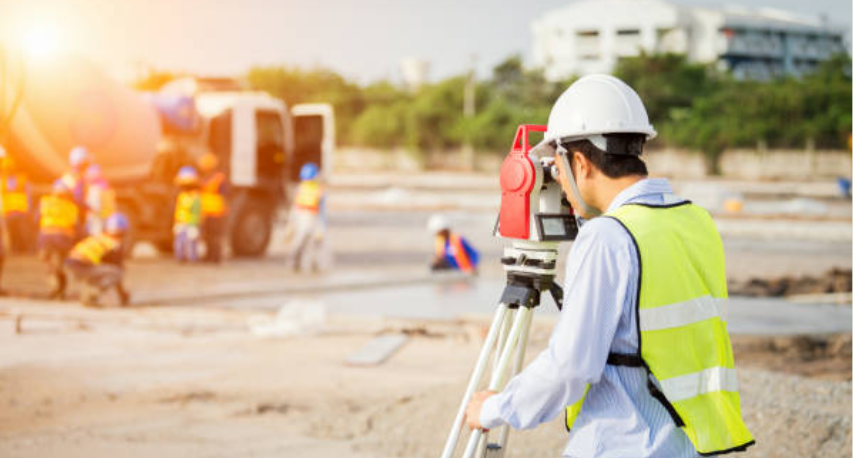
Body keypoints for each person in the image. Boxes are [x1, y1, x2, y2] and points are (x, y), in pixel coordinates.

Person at [464, 75, 754, 457]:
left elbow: (570, 367)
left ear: (580, 162)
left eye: (558, 167)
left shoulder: (608, 239)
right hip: (687, 445)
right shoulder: (695, 220)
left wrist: (494, 408)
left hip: (624, 445)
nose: (558, 182)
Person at [65, 213, 131, 307]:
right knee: (117, 272)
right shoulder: (114, 245)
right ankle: (92, 295)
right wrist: (123, 295)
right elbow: (117, 273)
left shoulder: (99, 237)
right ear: (124, 230)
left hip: (70, 264)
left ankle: (87, 296)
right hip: (81, 266)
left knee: (100, 272)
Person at [38, 178, 80, 299]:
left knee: (49, 265)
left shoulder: (45, 202)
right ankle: (60, 289)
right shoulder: (71, 207)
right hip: (63, 241)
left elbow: (36, 219)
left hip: (46, 239)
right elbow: (76, 226)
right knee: (60, 266)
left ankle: (56, 288)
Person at [282, 162, 327, 271]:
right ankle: (295, 263)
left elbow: (321, 209)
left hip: (312, 218)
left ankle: (313, 264)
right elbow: (295, 207)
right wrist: (291, 224)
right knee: (301, 241)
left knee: (314, 243)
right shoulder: (303, 188)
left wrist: (321, 227)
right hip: (304, 217)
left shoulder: (316, 189)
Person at [0, 149, 34, 253]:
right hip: (8, 212)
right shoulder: (2, 181)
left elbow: (28, 194)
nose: (8, 170)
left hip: (20, 211)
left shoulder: (22, 179)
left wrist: (29, 207)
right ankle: (15, 250)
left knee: (22, 232)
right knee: (12, 233)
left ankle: (24, 249)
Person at [197, 152, 228, 263]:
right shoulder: (207, 178)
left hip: (216, 212)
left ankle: (216, 257)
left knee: (215, 236)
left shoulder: (218, 178)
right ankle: (210, 255)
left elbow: (223, 194)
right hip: (208, 211)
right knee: (209, 235)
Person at [173, 166, 202, 263]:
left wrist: (194, 225)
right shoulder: (182, 195)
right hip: (182, 222)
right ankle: (181, 257)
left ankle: (192, 258)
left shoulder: (195, 197)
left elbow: (196, 211)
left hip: (190, 223)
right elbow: (178, 209)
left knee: (191, 242)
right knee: (180, 242)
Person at [62, 146, 91, 239]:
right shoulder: (76, 176)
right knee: (78, 235)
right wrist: (86, 206)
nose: (88, 165)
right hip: (75, 210)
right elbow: (77, 196)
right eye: (86, 162)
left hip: (72, 209)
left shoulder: (71, 175)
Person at [84, 164, 117, 235]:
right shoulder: (91, 186)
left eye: (90, 174)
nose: (88, 176)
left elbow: (106, 208)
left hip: (98, 219)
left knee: (95, 237)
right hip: (95, 218)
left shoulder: (99, 187)